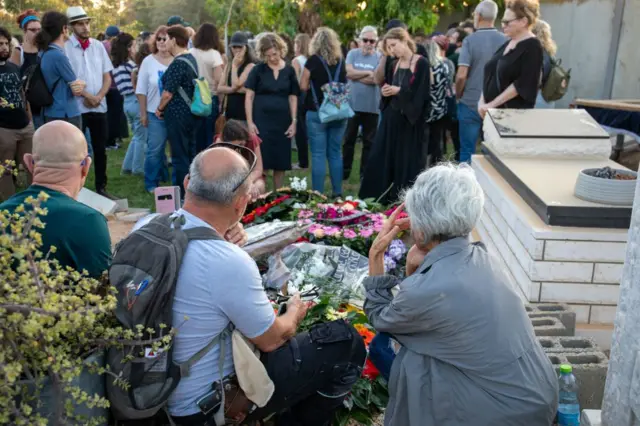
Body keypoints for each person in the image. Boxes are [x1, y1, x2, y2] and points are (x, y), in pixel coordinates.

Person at [131, 146, 365, 426]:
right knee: (344, 341)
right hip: (198, 408)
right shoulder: (228, 261)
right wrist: (295, 311)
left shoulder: (145, 227)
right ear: (242, 203)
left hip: (146, 391)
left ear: (186, 184)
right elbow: (273, 339)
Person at [364, 163, 558, 425]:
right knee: (415, 345)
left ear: (421, 227)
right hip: (535, 395)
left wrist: (376, 255)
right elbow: (420, 311)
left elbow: (381, 318)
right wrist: (413, 265)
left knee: (399, 354)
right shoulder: (480, 255)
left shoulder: (432, 289)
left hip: (504, 413)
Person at [0, 121, 111, 278]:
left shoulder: (3, 213)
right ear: (85, 166)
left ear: (30, 163)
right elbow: (103, 292)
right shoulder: (88, 220)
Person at [359, 28, 430, 205]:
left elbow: (421, 94)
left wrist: (399, 91)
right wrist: (386, 91)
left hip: (410, 121)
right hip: (392, 117)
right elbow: (389, 86)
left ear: (404, 40)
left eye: (393, 45)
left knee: (405, 159)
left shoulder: (421, 63)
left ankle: (403, 199)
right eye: (388, 48)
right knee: (381, 155)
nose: (392, 51)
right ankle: (380, 196)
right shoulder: (393, 64)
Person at [64, 6, 115, 199]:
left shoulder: (97, 45)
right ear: (71, 27)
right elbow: (69, 80)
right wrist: (87, 96)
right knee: (77, 151)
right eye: (80, 24)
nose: (85, 27)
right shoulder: (66, 47)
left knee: (100, 149)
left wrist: (99, 96)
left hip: (99, 105)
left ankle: (101, 187)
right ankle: (74, 189)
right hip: (78, 107)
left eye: (86, 23)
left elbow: (107, 76)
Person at [245, 33, 299, 190]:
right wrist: (250, 122)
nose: (272, 58)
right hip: (262, 121)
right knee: (263, 162)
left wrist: (293, 122)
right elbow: (249, 97)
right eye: (268, 56)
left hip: (282, 121)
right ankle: (261, 195)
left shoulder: (289, 71)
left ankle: (278, 196)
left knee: (280, 162)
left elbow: (293, 97)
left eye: (274, 54)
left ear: (280, 50)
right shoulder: (258, 70)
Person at [456, 0, 507, 163]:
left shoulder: (470, 40)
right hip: (496, 103)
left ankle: (465, 187)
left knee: (467, 151)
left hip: (470, 101)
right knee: (494, 154)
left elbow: (461, 75)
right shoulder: (506, 40)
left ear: (478, 15)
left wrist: (459, 93)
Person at [300, 27, 348, 197]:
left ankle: (318, 193)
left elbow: (303, 85)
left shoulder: (313, 61)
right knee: (335, 153)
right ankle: (338, 192)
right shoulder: (341, 60)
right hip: (339, 112)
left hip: (317, 112)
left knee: (318, 154)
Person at [479, 0, 543, 117]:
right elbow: (491, 73)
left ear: (523, 21)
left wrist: (491, 105)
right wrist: (482, 102)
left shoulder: (532, 46)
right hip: (491, 114)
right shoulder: (507, 43)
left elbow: (522, 84)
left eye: (507, 22)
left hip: (512, 117)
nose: (503, 25)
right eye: (503, 21)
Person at [156, 25, 199, 198]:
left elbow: (167, 93)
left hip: (177, 115)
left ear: (174, 40)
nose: (165, 43)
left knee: (179, 156)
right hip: (190, 114)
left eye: (166, 39)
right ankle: (193, 191)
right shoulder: (191, 59)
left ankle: (181, 194)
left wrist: (159, 109)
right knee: (190, 154)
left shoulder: (177, 63)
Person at [136, 25, 172, 193]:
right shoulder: (148, 61)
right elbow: (141, 90)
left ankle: (172, 179)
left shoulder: (177, 59)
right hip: (153, 113)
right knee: (154, 149)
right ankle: (151, 183)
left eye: (165, 38)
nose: (161, 42)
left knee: (176, 150)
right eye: (159, 38)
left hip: (175, 114)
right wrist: (143, 113)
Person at [343, 25, 381, 181]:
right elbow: (349, 73)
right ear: (360, 40)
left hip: (372, 106)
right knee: (349, 140)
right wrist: (368, 73)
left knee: (369, 142)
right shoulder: (352, 54)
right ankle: (345, 171)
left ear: (376, 42)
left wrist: (358, 76)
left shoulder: (379, 56)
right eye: (365, 40)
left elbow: (377, 79)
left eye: (372, 41)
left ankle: (364, 173)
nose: (368, 43)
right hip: (352, 105)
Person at [0, 26, 34, 202]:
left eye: (6, 43)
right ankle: (10, 209)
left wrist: (28, 117)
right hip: (4, 129)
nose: (4, 47)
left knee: (32, 167)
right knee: (5, 171)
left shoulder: (13, 67)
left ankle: (35, 205)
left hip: (25, 125)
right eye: (0, 44)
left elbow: (22, 92)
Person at [35, 11, 85, 130]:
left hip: (50, 111)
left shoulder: (43, 52)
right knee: (72, 148)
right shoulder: (58, 56)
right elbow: (76, 89)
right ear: (64, 29)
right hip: (65, 113)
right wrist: (83, 83)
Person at [112, 33, 145, 176]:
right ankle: (138, 169)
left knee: (136, 136)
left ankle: (126, 167)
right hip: (136, 100)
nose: (136, 47)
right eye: (134, 45)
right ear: (128, 48)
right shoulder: (131, 66)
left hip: (126, 101)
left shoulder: (116, 66)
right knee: (141, 137)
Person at [190, 22, 225, 153]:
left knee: (196, 135)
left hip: (194, 98)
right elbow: (218, 80)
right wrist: (221, 102)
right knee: (209, 134)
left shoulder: (190, 53)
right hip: (210, 98)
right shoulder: (214, 54)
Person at [215, 119, 266, 198]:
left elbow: (258, 169)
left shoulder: (252, 139)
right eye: (232, 146)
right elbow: (217, 170)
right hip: (227, 176)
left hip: (249, 175)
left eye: (241, 144)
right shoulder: (219, 142)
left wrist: (247, 182)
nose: (237, 149)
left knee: (259, 186)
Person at [11, 10, 42, 129]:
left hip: (46, 105)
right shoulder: (19, 52)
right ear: (24, 31)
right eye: (33, 30)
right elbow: (14, 81)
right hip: (28, 107)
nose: (37, 33)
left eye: (39, 29)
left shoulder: (45, 50)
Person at [217, 31, 256, 123]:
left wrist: (235, 66)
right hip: (229, 111)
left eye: (240, 47)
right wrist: (237, 90)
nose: (237, 50)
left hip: (243, 113)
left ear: (246, 48)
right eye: (234, 47)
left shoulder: (250, 66)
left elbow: (235, 84)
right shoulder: (228, 65)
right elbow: (219, 88)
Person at [425, 39, 450, 166]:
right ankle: (436, 166)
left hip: (426, 108)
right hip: (440, 107)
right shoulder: (444, 65)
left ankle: (422, 166)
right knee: (437, 140)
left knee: (424, 140)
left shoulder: (424, 66)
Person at [103, 25, 128, 150]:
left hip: (103, 85)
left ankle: (105, 140)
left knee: (106, 115)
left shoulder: (100, 45)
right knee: (114, 116)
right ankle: (111, 141)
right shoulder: (115, 46)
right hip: (115, 85)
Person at [292, 33, 310, 170]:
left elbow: (294, 82)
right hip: (310, 95)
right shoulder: (311, 60)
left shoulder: (296, 61)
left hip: (299, 94)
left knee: (299, 128)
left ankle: (302, 161)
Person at [532, 19, 557, 109]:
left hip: (536, 98)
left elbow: (536, 78)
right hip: (549, 98)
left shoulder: (535, 51)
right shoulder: (550, 52)